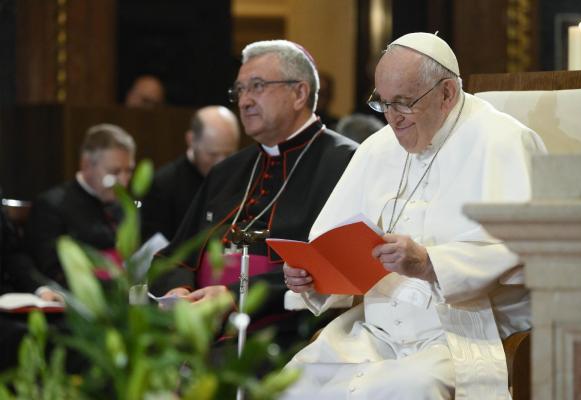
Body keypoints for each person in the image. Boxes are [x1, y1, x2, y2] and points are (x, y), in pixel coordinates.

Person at [281, 32, 547, 399]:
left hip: (461, 334)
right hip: (374, 333)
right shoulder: (377, 149)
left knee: (402, 388)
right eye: (383, 103)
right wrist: (311, 275)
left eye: (404, 104)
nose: (392, 119)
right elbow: (333, 242)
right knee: (292, 384)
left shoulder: (505, 141)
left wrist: (430, 263)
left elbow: (530, 250)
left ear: (447, 94)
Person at [152, 40, 357, 346]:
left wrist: (233, 297)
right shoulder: (226, 171)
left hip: (281, 331)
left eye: (257, 86)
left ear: (299, 93)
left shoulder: (347, 162)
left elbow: (338, 266)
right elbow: (177, 255)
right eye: (240, 90)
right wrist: (177, 291)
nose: (244, 101)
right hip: (194, 328)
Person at [25, 124, 136, 297]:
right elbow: (53, 271)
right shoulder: (52, 205)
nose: (123, 181)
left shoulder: (124, 205)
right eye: (114, 172)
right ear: (86, 165)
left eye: (128, 171)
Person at [141, 106, 241, 240]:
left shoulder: (241, 176)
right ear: (191, 140)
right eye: (213, 154)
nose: (221, 163)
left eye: (229, 154)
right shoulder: (164, 184)